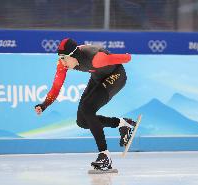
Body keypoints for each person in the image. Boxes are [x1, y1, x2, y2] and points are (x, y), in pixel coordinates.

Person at [35, 38, 136, 171]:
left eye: (64, 58)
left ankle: (104, 156)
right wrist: (44, 105)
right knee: (82, 121)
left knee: (87, 108)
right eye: (60, 58)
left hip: (116, 75)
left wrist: (128, 56)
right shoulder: (63, 64)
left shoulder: (96, 58)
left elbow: (126, 58)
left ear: (73, 55)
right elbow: (56, 87)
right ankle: (123, 124)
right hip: (97, 77)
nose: (62, 61)